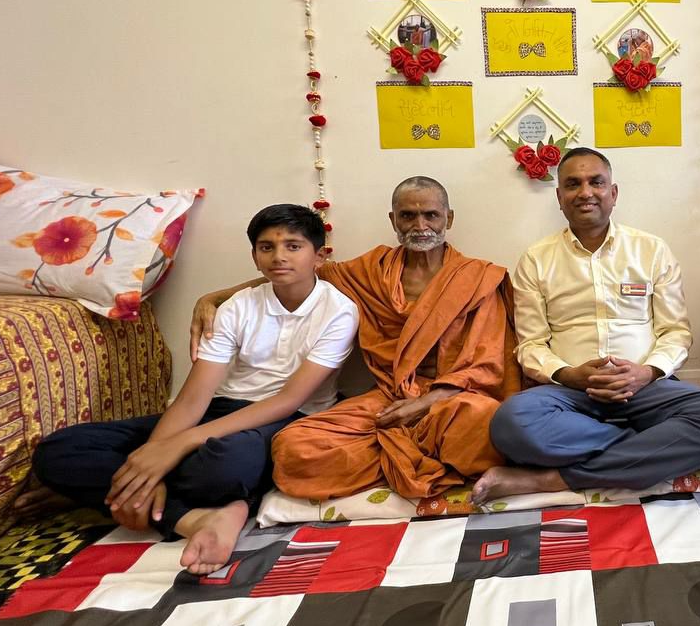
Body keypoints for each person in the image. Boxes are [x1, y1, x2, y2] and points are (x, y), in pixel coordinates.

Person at [32, 205, 358, 575]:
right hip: (222, 408)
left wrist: (178, 446)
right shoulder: (237, 306)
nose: (279, 256)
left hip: (286, 419)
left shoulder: (338, 311)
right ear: (254, 256)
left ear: (319, 256)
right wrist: (154, 461)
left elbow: (288, 400)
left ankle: (118, 491)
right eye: (266, 247)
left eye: (293, 246)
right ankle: (196, 516)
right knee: (59, 450)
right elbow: (192, 399)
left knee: (226, 465)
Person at [191, 177, 517, 502]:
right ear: (393, 220)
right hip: (388, 397)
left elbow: (486, 366)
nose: (420, 226)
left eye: (431, 215)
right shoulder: (370, 272)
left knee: (487, 422)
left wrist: (424, 403)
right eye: (408, 216)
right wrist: (213, 298)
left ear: (449, 218)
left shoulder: (477, 278)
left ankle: (403, 454)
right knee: (293, 447)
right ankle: (419, 456)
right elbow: (300, 274)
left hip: (452, 400)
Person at [475, 148, 700, 503]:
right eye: (573, 184)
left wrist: (646, 372)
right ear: (559, 198)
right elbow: (531, 345)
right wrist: (571, 375)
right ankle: (659, 447)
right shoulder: (536, 260)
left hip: (647, 389)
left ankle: (554, 479)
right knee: (511, 423)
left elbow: (676, 332)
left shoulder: (651, 250)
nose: (585, 192)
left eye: (596, 182)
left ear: (613, 193)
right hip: (571, 395)